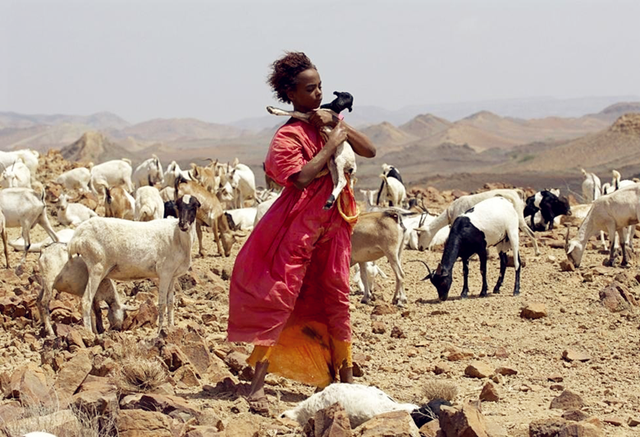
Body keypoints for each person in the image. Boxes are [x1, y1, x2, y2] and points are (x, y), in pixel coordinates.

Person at [227, 51, 376, 416]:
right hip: (297, 228)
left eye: (320, 87)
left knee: (337, 294)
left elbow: (369, 151)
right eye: (310, 89)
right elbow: (301, 177)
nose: (318, 94)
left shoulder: (327, 121)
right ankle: (257, 380)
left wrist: (340, 126)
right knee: (283, 295)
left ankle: (344, 378)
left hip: (335, 226)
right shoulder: (288, 135)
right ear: (291, 94)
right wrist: (331, 141)